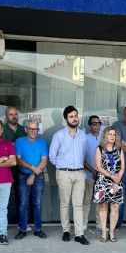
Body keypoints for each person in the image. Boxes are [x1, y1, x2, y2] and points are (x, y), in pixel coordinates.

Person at [49, 105, 89, 245]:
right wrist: (62, 167)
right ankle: (66, 231)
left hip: (79, 173)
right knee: (65, 204)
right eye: (71, 117)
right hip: (64, 173)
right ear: (66, 119)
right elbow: (52, 156)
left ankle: (79, 234)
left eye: (76, 116)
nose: (74, 118)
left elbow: (83, 154)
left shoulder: (83, 135)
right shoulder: (59, 135)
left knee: (78, 205)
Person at [15, 120, 48, 239]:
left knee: (37, 204)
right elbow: (18, 160)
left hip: (38, 177)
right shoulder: (19, 142)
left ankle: (38, 229)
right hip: (22, 175)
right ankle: (22, 229)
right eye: (31, 129)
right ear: (26, 129)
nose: (34, 131)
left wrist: (33, 174)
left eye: (36, 129)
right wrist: (32, 168)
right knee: (23, 204)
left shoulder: (42, 142)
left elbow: (44, 160)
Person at [93, 126, 125, 242]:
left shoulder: (120, 149)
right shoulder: (99, 149)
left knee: (115, 207)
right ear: (105, 136)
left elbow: (122, 167)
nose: (112, 136)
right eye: (110, 134)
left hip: (117, 181)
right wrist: (112, 177)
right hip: (103, 181)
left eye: (114, 134)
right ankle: (103, 232)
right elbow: (98, 167)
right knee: (103, 207)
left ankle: (111, 232)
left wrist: (117, 179)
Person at [83, 115, 101, 231]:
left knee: (100, 201)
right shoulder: (84, 139)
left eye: (98, 123)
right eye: (94, 124)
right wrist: (93, 171)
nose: (97, 125)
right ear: (90, 126)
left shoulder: (103, 139)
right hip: (89, 175)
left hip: (102, 176)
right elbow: (82, 159)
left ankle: (99, 223)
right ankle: (83, 224)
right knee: (87, 201)